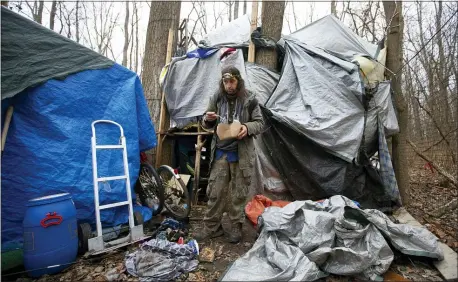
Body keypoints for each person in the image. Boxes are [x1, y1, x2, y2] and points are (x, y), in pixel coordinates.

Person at [194, 66, 264, 243]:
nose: (229, 85)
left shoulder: (250, 99)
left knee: (238, 193)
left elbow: (260, 123)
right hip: (221, 152)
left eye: (232, 81)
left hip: (241, 153)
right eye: (225, 82)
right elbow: (206, 122)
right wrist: (207, 120)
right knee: (215, 191)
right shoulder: (216, 97)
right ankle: (212, 227)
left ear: (238, 81)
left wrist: (247, 128)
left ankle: (236, 226)